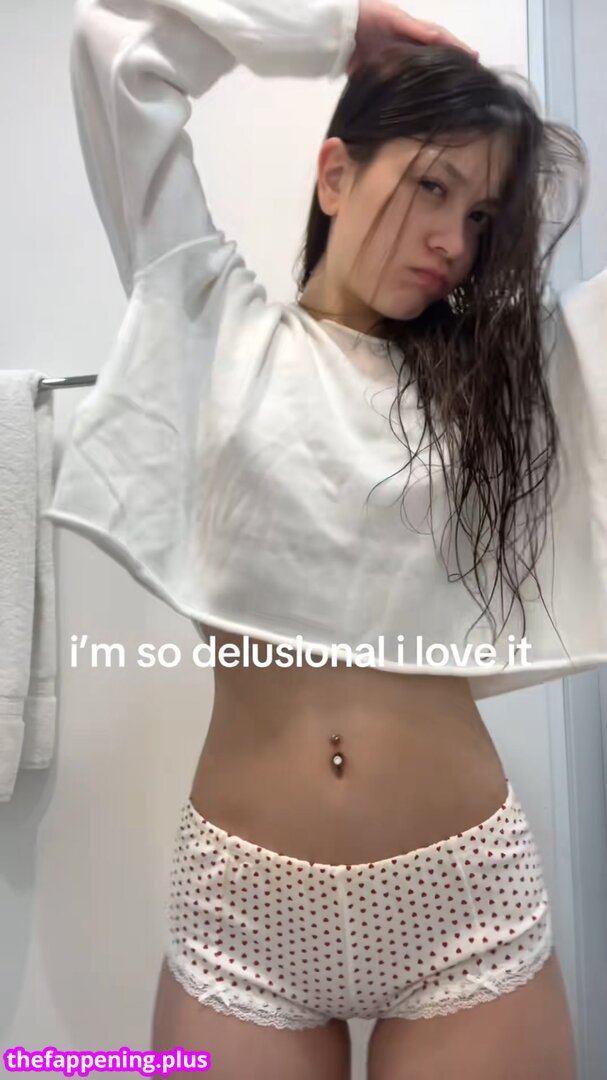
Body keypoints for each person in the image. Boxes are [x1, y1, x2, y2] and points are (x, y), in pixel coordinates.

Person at [48, 0, 607, 1075]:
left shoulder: (508, 383)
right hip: (242, 921)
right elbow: (115, 41)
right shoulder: (210, 324)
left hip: (463, 916)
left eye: (480, 216)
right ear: (336, 175)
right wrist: (339, 31)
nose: (452, 242)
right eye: (432, 187)